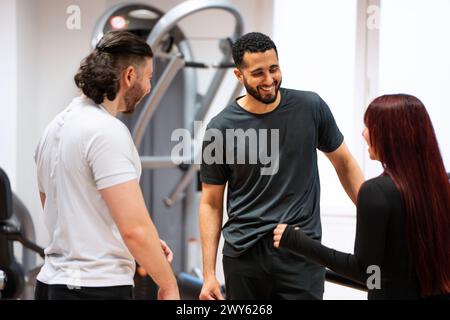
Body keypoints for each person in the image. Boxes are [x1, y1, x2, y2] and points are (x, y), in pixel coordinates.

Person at [199, 32, 364, 300]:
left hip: (300, 251)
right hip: (244, 255)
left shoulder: (310, 107)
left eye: (273, 69)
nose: (268, 80)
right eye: (258, 73)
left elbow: (344, 163)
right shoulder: (221, 127)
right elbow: (211, 202)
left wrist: (373, 214)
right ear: (239, 76)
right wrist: (208, 274)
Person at [34, 31, 179, 300]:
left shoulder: (53, 128)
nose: (148, 88)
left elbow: (59, 208)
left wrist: (141, 245)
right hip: (94, 288)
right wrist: (168, 285)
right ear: (129, 76)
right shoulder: (107, 132)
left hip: (50, 285)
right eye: (148, 78)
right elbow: (134, 229)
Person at [274, 94, 450, 299]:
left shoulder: (375, 193)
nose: (364, 133)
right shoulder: (442, 186)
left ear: (391, 135)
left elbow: (365, 272)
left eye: (370, 126)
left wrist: (297, 241)